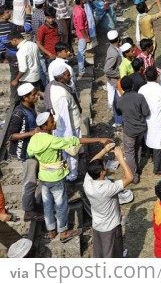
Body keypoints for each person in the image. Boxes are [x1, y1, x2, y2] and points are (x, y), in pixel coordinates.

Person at [27, 112, 111, 242]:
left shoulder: (34, 139)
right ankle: (63, 231)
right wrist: (99, 139)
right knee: (61, 204)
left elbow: (30, 153)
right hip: (56, 177)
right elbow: (75, 141)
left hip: (43, 177)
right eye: (51, 122)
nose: (54, 123)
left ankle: (51, 231)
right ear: (44, 126)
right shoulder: (52, 140)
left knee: (47, 204)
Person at [83, 143, 134, 258]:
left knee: (100, 250)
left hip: (97, 224)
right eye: (105, 167)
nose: (106, 167)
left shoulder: (88, 182)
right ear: (102, 173)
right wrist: (120, 158)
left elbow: (93, 162)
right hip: (110, 227)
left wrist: (104, 150)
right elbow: (130, 178)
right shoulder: (107, 188)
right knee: (112, 252)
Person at [7, 83, 45, 222]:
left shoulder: (30, 107)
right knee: (30, 182)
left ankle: (34, 204)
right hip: (26, 153)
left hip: (34, 150)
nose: (36, 96)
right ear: (25, 97)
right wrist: (31, 133)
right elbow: (11, 136)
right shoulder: (19, 113)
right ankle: (28, 211)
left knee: (36, 178)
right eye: (33, 95)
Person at [46, 61, 83, 181]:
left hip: (61, 126)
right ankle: (72, 175)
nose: (70, 76)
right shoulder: (62, 94)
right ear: (61, 78)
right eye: (67, 75)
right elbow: (65, 118)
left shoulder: (53, 85)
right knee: (72, 152)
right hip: (69, 127)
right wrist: (70, 139)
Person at [117, 75, 150, 184]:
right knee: (138, 147)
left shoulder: (120, 100)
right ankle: (137, 168)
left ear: (121, 87)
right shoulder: (140, 97)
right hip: (141, 128)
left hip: (129, 130)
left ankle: (133, 176)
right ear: (132, 85)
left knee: (129, 153)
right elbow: (146, 112)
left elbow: (118, 113)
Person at [141, 66, 161, 175]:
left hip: (146, 120)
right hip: (159, 121)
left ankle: (150, 158)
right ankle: (158, 170)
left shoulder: (142, 89)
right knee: (159, 145)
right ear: (157, 76)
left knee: (149, 140)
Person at [103, 30, 123, 128]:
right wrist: (119, 74)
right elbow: (107, 70)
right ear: (118, 38)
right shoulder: (114, 54)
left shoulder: (113, 48)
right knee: (118, 102)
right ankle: (119, 121)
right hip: (115, 81)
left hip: (116, 80)